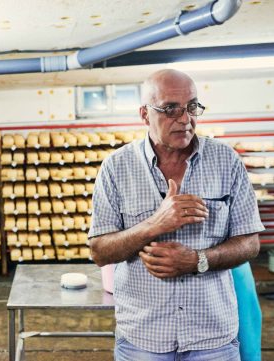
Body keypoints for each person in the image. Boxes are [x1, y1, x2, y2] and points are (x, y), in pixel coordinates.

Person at [88, 69, 264, 360]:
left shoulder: (226, 161)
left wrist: (198, 261)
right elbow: (99, 252)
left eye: (192, 107)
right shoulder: (116, 168)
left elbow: (250, 243)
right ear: (145, 114)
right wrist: (153, 224)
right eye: (170, 109)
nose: (185, 119)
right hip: (143, 338)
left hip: (212, 337)